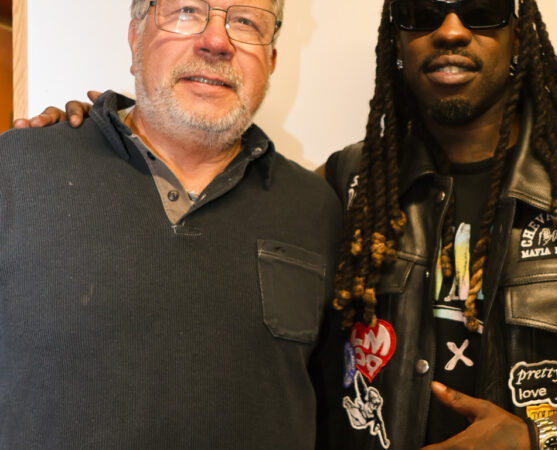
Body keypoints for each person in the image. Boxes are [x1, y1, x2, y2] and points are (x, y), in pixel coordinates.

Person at [25, 0, 557, 448]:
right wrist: (89, 138)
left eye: (482, 10)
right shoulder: (343, 188)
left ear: (519, 35)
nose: (452, 30)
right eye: (422, 12)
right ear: (397, 41)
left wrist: (537, 441)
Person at [0, 0, 341, 448]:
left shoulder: (317, 209)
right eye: (187, 11)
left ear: (272, 60)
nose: (216, 41)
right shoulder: (16, 170)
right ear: (135, 38)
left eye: (245, 22)